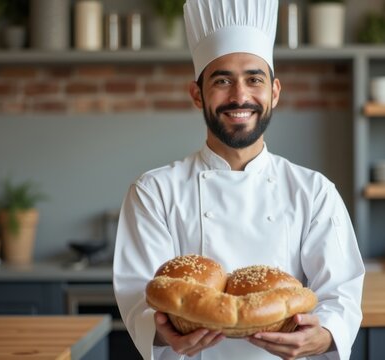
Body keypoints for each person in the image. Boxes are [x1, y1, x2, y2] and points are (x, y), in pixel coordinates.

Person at [113, 0, 365, 359]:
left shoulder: (314, 191)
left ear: (274, 92)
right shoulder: (153, 192)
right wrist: (163, 332)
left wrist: (323, 336)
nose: (239, 96)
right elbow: (139, 296)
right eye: (222, 80)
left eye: (253, 79)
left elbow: (341, 293)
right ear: (197, 94)